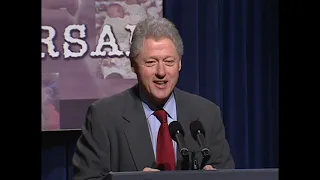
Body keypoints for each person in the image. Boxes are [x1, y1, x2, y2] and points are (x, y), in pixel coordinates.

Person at [72, 16, 235, 179]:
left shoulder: (206, 114)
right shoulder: (104, 117)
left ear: (180, 64)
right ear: (133, 65)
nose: (161, 72)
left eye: (169, 62)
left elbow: (227, 173)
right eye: (151, 62)